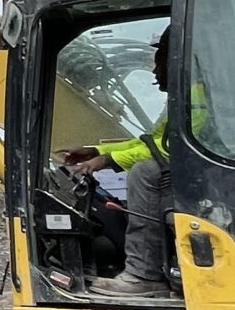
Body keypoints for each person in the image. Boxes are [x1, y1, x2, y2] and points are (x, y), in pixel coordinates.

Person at [60, 32, 178, 293]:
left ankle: (145, 274)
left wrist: (107, 159)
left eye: (159, 61)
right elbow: (151, 141)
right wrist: (97, 151)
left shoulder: (199, 97)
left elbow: (171, 148)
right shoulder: (184, 99)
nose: (155, 72)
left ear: (176, 60)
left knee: (146, 172)